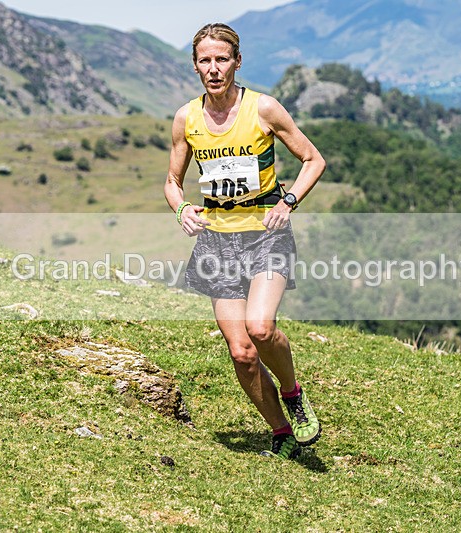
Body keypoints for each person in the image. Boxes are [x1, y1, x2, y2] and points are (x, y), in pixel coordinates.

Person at [164, 23, 326, 460]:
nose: (213, 69)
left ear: (237, 61)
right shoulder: (187, 118)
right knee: (241, 352)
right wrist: (182, 209)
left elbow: (313, 160)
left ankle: (292, 394)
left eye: (221, 59)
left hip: (265, 235)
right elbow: (172, 182)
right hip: (216, 242)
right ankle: (279, 430)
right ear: (195, 65)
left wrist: (288, 201)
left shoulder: (264, 108)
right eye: (205, 61)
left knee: (260, 328)